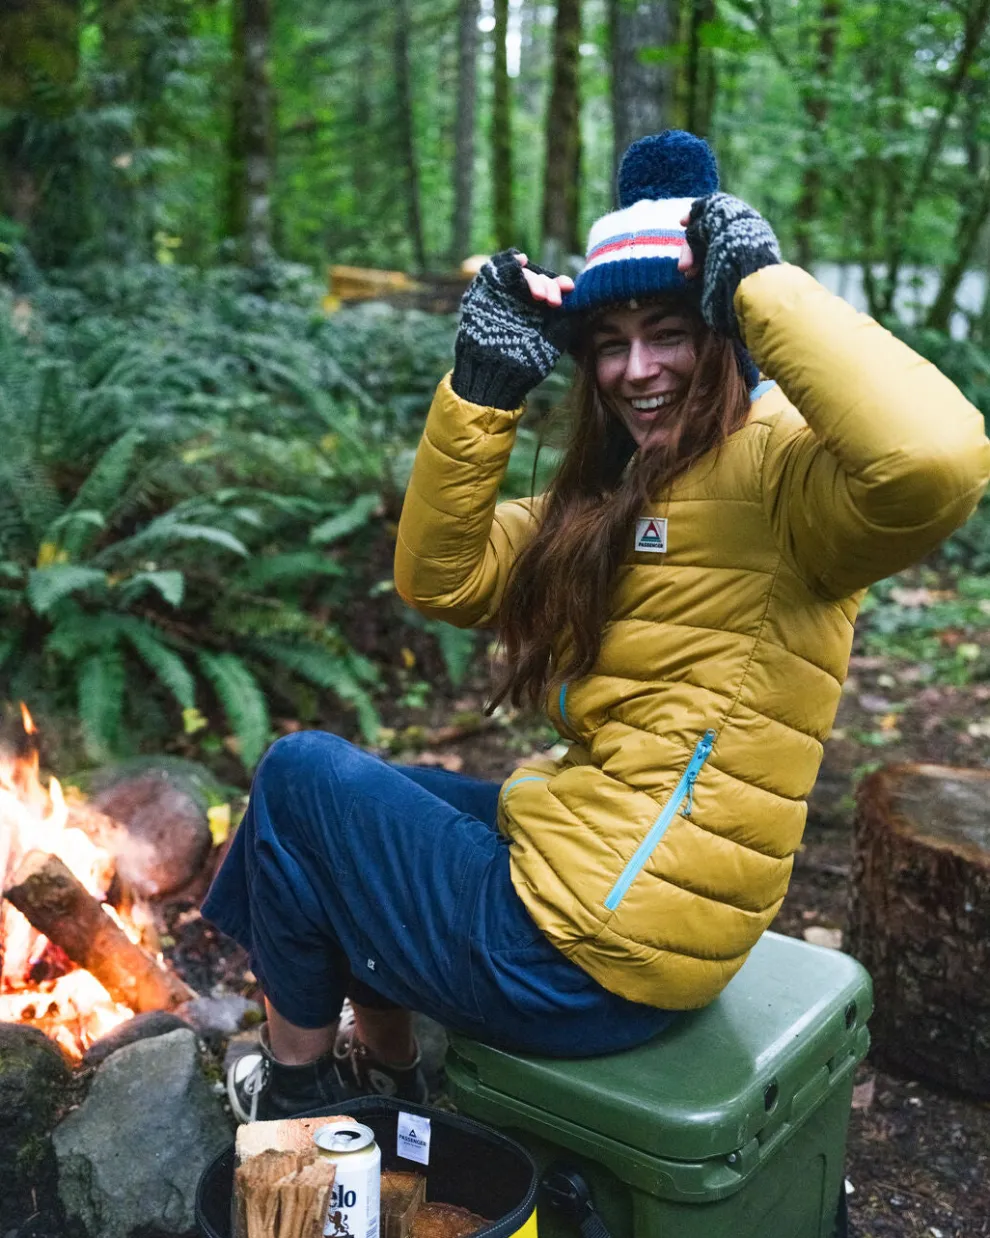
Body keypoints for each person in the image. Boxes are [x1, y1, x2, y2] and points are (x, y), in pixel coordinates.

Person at [204, 131, 990, 1123]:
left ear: (725, 333)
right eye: (609, 343)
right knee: (366, 796)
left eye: (668, 332)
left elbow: (937, 460)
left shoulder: (791, 477)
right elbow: (439, 577)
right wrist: (483, 388)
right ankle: (391, 1074)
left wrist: (763, 285)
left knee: (297, 777)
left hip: (592, 950)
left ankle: (296, 1095)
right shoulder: (619, 494)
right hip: (612, 895)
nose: (636, 369)